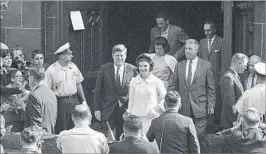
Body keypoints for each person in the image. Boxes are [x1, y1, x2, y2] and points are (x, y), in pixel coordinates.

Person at [168, 39, 216, 153]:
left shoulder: (206, 65)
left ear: (197, 50)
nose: (187, 51)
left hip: (200, 106)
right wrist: (170, 102)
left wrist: (211, 104)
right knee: (183, 135)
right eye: (185, 49)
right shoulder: (179, 65)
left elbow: (211, 87)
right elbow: (173, 85)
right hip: (183, 106)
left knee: (199, 136)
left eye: (190, 49)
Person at [93, 44, 137, 141]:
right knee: (109, 137)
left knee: (125, 137)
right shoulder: (104, 69)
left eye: (122, 55)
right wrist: (97, 109)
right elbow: (98, 90)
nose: (119, 58)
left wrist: (132, 109)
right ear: (112, 56)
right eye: (117, 55)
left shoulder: (133, 69)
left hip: (125, 109)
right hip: (108, 108)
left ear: (125, 56)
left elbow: (136, 91)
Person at [45, 42, 87, 134]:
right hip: (61, 102)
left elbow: (78, 83)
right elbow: (47, 90)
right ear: (62, 56)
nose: (72, 56)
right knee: (62, 127)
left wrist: (83, 100)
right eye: (69, 54)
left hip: (74, 100)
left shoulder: (73, 67)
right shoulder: (51, 70)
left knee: (76, 126)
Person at [127, 53, 166, 135]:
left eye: (145, 66)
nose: (142, 68)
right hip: (136, 116)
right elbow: (131, 100)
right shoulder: (134, 81)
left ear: (150, 66)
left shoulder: (157, 81)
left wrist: (157, 109)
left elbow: (165, 98)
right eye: (140, 66)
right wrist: (130, 115)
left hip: (151, 117)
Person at [199, 20, 225, 124]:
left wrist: (222, 78)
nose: (206, 33)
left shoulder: (222, 41)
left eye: (209, 30)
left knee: (217, 99)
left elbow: (224, 62)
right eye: (205, 31)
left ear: (214, 29)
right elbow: (200, 60)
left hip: (216, 77)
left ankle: (216, 122)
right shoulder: (202, 42)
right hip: (204, 77)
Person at [24, 68, 57, 134]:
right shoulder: (51, 92)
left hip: (37, 136)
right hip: (50, 132)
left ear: (32, 78)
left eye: (28, 77)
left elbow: (35, 123)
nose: (28, 79)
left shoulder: (33, 95)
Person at [220, 53, 249, 129]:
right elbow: (230, 103)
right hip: (231, 121)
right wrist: (236, 121)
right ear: (239, 63)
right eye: (245, 65)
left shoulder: (235, 76)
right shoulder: (229, 77)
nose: (245, 68)